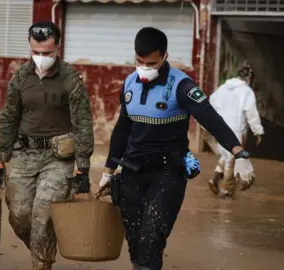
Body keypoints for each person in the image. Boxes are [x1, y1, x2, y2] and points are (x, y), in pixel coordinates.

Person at [98, 27, 250, 270]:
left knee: (152, 239)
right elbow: (122, 129)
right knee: (135, 243)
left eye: (152, 62)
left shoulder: (183, 86)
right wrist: (108, 171)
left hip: (167, 174)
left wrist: (238, 151)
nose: (145, 67)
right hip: (131, 173)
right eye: (140, 61)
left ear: (165, 56)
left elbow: (210, 118)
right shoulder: (129, 83)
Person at [0, 21, 94, 270]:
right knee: (19, 214)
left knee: (43, 214)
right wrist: (0, 159)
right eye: (36, 52)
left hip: (58, 158)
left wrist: (82, 166)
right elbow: (9, 117)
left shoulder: (70, 78)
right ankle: (43, 247)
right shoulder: (20, 76)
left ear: (58, 47)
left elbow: (82, 122)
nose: (41, 58)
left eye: (47, 53)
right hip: (24, 154)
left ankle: (41, 263)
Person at [208, 64, 263, 196]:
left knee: (226, 156)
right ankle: (226, 192)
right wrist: (258, 131)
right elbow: (251, 112)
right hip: (236, 131)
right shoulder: (246, 91)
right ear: (249, 78)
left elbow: (210, 104)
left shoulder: (221, 89)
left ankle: (215, 178)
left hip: (220, 129)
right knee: (232, 160)